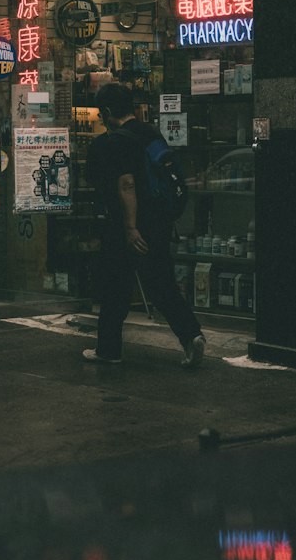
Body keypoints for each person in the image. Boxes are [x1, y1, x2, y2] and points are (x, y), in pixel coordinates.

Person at [83, 82, 206, 367]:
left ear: (109, 111)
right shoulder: (150, 133)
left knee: (115, 287)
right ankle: (192, 336)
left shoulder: (115, 141)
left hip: (128, 227)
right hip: (159, 223)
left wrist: (130, 227)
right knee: (162, 285)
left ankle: (108, 350)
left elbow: (126, 185)